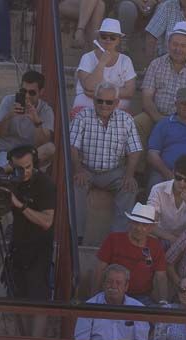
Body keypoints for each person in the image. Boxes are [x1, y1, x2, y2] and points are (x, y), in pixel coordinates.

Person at [70, 84, 142, 246]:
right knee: (76, 185)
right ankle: (76, 237)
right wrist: (78, 169)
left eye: (109, 102)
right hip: (86, 168)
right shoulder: (82, 116)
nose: (104, 105)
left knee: (130, 187)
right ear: (94, 101)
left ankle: (118, 239)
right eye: (100, 101)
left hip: (114, 171)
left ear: (116, 103)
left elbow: (135, 150)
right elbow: (72, 146)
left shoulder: (126, 120)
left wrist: (129, 175)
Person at [136, 22, 186, 145]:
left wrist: (183, 120)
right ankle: (139, 163)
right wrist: (159, 119)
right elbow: (146, 98)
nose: (178, 49)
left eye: (183, 45)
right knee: (138, 123)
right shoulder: (156, 64)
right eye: (175, 44)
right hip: (157, 116)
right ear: (168, 44)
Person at [3, 142, 56, 319]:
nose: (24, 172)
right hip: (17, 246)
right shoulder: (11, 179)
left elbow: (47, 221)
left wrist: (19, 205)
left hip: (39, 249)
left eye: (28, 167)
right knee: (16, 301)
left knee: (38, 303)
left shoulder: (44, 183)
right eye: (19, 168)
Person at [89, 202, 168, 303]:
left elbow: (160, 276)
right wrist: (94, 298)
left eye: (144, 225)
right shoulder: (113, 239)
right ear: (130, 222)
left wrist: (164, 302)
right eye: (136, 223)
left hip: (142, 297)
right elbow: (100, 269)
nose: (139, 228)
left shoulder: (155, 245)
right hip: (113, 294)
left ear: (151, 228)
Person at [0, 70, 54, 168]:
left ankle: (21, 169)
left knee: (50, 148)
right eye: (24, 91)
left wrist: (36, 123)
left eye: (32, 93)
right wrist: (9, 116)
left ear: (41, 92)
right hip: (5, 152)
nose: (27, 96)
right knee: (9, 165)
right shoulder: (8, 101)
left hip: (28, 155)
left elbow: (42, 143)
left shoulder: (46, 110)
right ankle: (20, 170)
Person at [73, 263, 150, 340]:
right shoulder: (88, 307)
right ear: (103, 284)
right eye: (109, 282)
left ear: (126, 286)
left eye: (118, 283)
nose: (113, 286)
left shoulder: (139, 308)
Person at [73, 19, 136, 114]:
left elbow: (129, 92)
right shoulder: (87, 57)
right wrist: (102, 63)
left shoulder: (125, 60)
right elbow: (89, 86)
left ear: (118, 40)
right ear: (99, 38)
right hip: (87, 104)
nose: (108, 40)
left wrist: (101, 93)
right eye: (104, 36)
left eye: (112, 37)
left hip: (115, 105)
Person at [146, 153, 186, 245]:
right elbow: (150, 224)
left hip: (185, 242)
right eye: (178, 178)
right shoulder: (158, 189)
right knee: (148, 237)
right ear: (173, 173)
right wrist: (172, 238)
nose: (182, 183)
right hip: (160, 236)